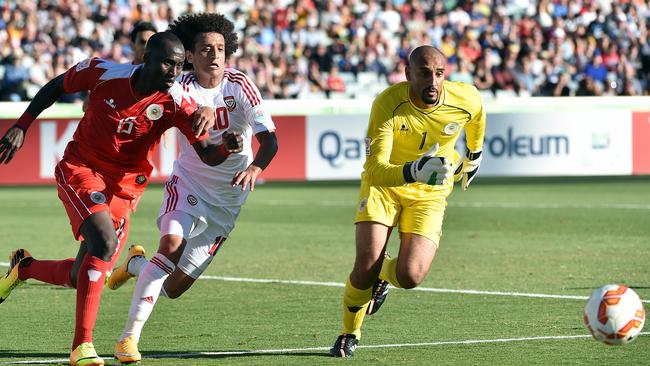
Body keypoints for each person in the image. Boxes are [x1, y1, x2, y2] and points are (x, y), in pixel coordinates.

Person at [0, 31, 243, 366]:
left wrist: (226, 147)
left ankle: (24, 268)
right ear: (147, 59)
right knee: (104, 242)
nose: (173, 72)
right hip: (81, 168)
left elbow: (207, 154)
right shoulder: (104, 73)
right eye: (167, 64)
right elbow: (56, 86)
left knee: (80, 273)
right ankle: (82, 346)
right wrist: (22, 126)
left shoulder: (174, 101)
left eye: (177, 65)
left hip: (124, 189)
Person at [108, 13, 278, 364]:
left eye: (219, 48)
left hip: (228, 200)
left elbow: (270, 139)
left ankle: (137, 264)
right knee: (170, 246)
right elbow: (168, 107)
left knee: (173, 287)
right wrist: (193, 110)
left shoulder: (240, 85)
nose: (214, 55)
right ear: (190, 54)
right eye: (205, 49)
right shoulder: (179, 85)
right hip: (188, 184)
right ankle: (128, 339)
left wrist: (256, 167)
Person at [329, 45, 486, 357]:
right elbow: (374, 170)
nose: (433, 81)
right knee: (365, 267)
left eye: (439, 74)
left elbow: (478, 115)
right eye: (425, 73)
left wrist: (475, 153)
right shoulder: (388, 103)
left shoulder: (465, 97)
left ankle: (383, 277)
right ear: (408, 74)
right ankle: (350, 332)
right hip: (384, 188)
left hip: (429, 193)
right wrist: (414, 170)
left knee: (411, 276)